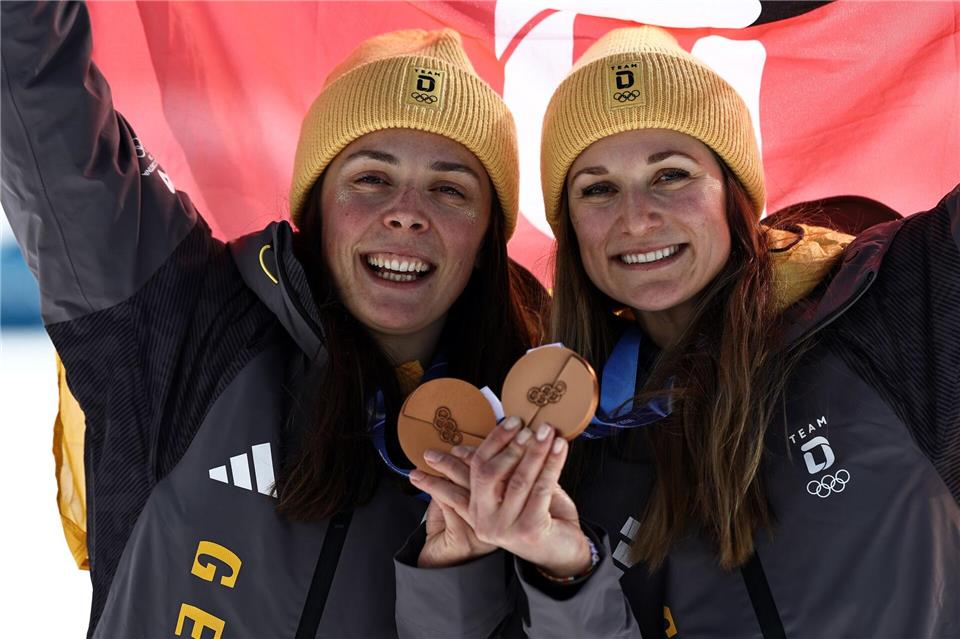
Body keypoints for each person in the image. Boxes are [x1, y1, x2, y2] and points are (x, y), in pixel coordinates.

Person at [0, 2, 548, 637]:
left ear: (488, 237)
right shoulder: (184, 320)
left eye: (450, 189)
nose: (406, 212)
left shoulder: (533, 436)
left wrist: (458, 583)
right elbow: (39, 104)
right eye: (371, 178)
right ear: (315, 204)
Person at [408, 26, 960, 638]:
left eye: (671, 175)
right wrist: (564, 570)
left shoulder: (888, 308)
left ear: (733, 193)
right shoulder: (570, 443)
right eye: (598, 189)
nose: (637, 217)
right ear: (571, 234)